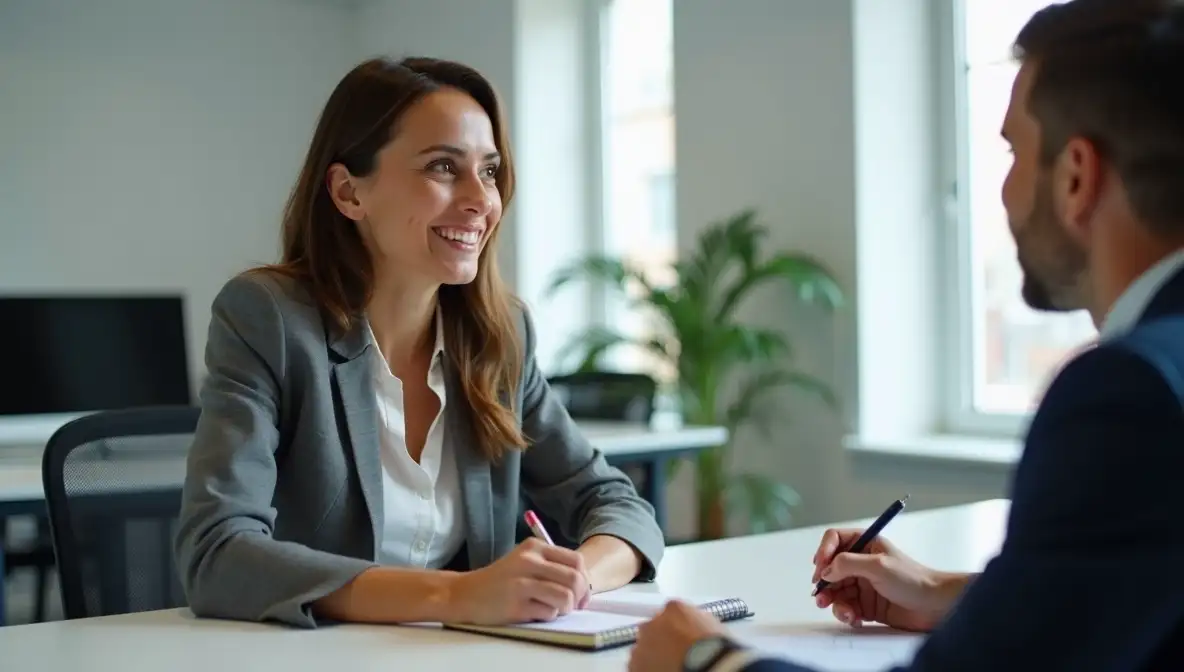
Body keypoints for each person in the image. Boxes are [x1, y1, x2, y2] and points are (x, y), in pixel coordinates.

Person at [629, 0, 1184, 670]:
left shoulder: (1129, 396)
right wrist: (940, 592)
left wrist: (709, 661)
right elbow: (1132, 582)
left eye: (1013, 152)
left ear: (1074, 177)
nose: (1004, 191)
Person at [173, 56, 665, 629]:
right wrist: (455, 596)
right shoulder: (271, 320)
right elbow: (217, 553)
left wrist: (571, 576)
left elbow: (619, 506)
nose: (482, 200)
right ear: (349, 193)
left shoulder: (498, 336)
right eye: (442, 167)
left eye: (489, 171)